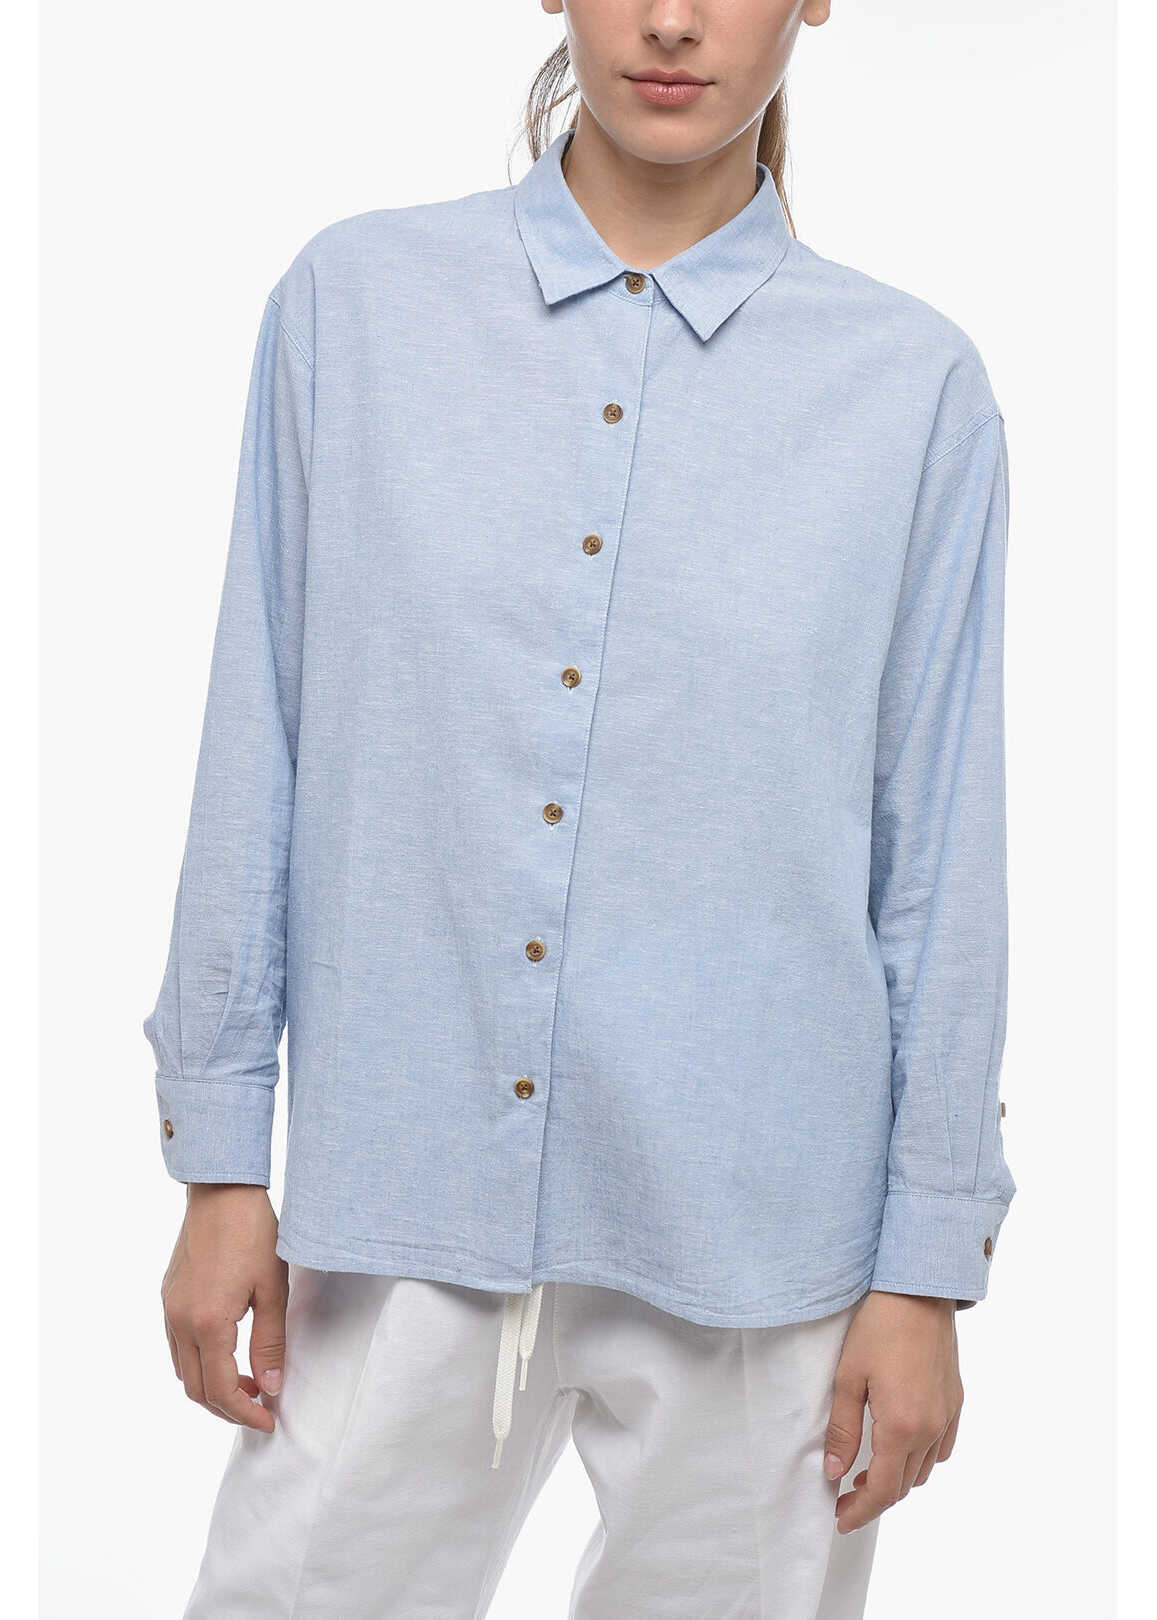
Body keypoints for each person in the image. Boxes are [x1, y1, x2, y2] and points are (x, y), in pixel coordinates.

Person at [145, 2, 1016, 1614]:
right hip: (400, 1194)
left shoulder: (911, 389)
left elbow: (938, 859)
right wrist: (218, 1159)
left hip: (768, 1234)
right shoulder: (357, 307)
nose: (671, 19)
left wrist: (925, 1269)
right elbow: (258, 735)